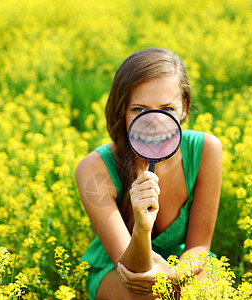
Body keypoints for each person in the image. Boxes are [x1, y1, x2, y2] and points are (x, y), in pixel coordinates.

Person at [75, 48, 222, 299]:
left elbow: (198, 245)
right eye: (139, 110)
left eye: (167, 109)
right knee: (148, 295)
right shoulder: (93, 169)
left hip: (183, 266)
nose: (154, 122)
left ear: (184, 107)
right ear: (122, 110)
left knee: (207, 286)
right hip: (119, 270)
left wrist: (172, 276)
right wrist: (141, 228)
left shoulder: (207, 149)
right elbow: (133, 273)